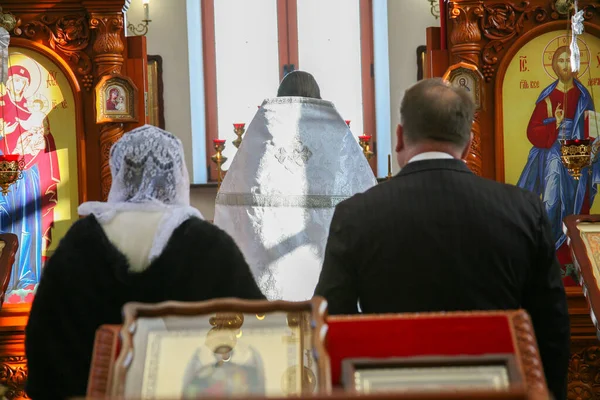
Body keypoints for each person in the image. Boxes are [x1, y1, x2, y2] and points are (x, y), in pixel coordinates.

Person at [314, 78, 570, 400]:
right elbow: (551, 327)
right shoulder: (523, 209)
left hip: (392, 390)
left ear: (399, 138)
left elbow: (330, 323)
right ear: (468, 143)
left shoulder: (356, 215)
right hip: (497, 390)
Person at [25, 125, 265, 400]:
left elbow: (45, 341)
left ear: (119, 174)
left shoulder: (80, 241)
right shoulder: (209, 243)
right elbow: (259, 327)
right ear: (177, 175)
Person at [214, 71, 376, 301]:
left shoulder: (264, 137)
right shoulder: (334, 137)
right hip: (327, 279)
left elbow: (234, 206)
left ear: (281, 97)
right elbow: (364, 195)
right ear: (318, 97)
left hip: (270, 268)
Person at [518, 45, 598, 253]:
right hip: (553, 151)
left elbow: (591, 125)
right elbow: (532, 131)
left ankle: (574, 253)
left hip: (577, 154)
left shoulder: (583, 96)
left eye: (569, 61)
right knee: (551, 201)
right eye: (561, 61)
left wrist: (592, 146)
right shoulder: (547, 96)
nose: (565, 65)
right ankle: (548, 248)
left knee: (576, 203)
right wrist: (555, 122)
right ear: (554, 65)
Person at [0, 65, 60, 302]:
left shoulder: (34, 113)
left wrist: (38, 140)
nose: (19, 86)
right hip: (3, 180)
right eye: (14, 81)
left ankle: (26, 279)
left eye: (23, 82)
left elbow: (46, 144)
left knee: (28, 226)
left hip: (28, 180)